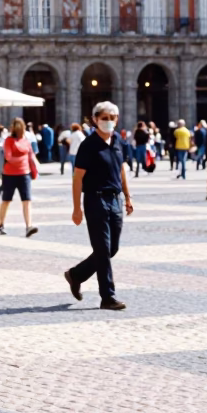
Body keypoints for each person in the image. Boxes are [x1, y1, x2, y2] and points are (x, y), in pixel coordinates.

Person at [63, 101, 134, 310]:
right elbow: (77, 178)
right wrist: (77, 208)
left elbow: (121, 170)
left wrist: (128, 196)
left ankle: (76, 275)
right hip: (95, 199)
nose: (108, 121)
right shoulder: (88, 145)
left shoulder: (119, 141)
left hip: (115, 199)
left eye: (112, 118)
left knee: (112, 248)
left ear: (117, 120)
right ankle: (107, 297)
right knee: (102, 249)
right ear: (95, 120)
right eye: (104, 118)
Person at [0, 117, 39, 238]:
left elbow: (31, 155)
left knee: (27, 200)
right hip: (9, 175)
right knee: (6, 200)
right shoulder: (9, 140)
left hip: (24, 174)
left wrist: (34, 169)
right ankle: (1, 224)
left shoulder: (26, 140)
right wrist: (22, 159)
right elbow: (8, 157)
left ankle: (28, 226)